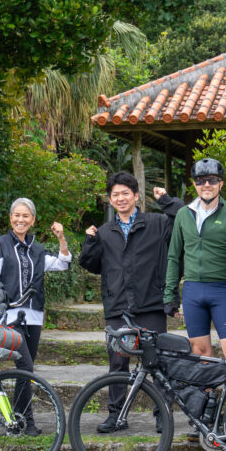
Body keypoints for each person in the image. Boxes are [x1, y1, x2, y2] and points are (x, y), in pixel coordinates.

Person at [79, 172, 183, 433]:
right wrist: (90, 242)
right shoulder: (104, 232)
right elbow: (90, 265)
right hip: (118, 307)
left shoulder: (158, 223)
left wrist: (166, 201)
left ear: (136, 196)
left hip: (150, 304)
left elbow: (184, 217)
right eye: (115, 195)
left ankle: (163, 412)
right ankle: (116, 416)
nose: (121, 198)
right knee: (117, 362)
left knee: (158, 360)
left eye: (126, 193)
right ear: (110, 200)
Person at [163, 157, 226, 435]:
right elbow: (173, 256)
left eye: (212, 180)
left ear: (220, 184)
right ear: (194, 184)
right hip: (192, 291)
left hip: (223, 291)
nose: (206, 185)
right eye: (201, 180)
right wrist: (170, 293)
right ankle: (205, 418)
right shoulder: (183, 215)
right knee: (201, 355)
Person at [0, 198, 71, 436]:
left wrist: (61, 238)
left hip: (34, 316)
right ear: (10, 218)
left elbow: (63, 264)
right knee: (26, 366)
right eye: (16, 215)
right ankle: (26, 421)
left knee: (26, 370)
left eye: (26, 216)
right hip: (9, 316)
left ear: (32, 220)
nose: (20, 220)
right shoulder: (0, 244)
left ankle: (18, 420)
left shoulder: (37, 248)